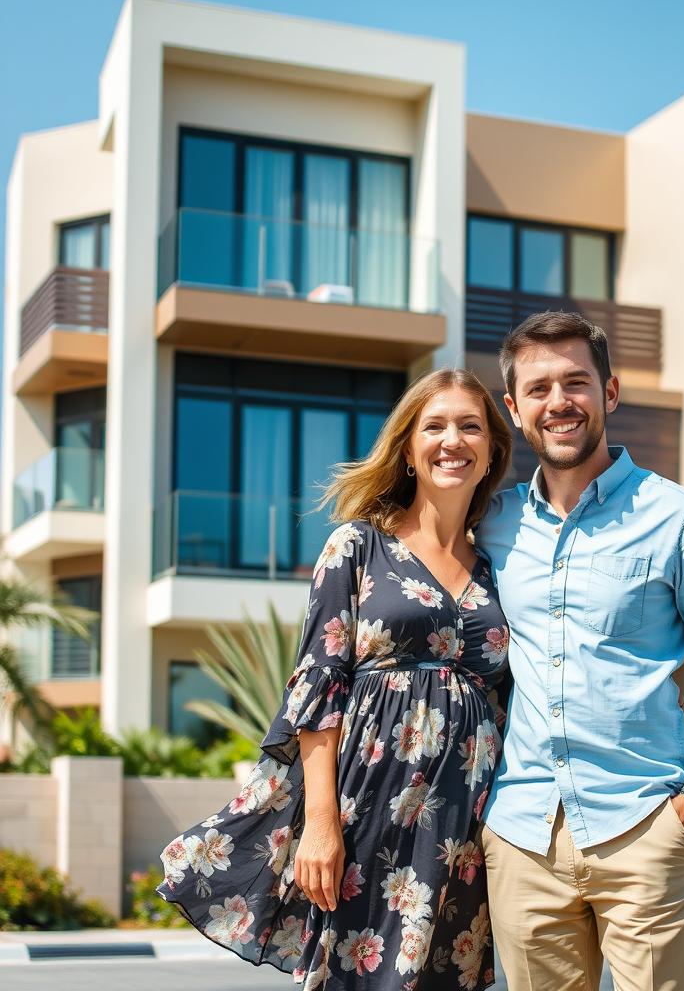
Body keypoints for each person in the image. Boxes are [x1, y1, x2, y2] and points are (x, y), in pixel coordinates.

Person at [157, 368, 514, 991]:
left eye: (470, 426)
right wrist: (321, 822)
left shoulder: (498, 566)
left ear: (491, 452)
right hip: (369, 804)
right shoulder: (357, 546)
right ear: (408, 448)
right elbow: (319, 686)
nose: (452, 439)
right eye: (435, 425)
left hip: (467, 824)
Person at [474, 312, 684, 991]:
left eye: (576, 382)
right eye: (540, 389)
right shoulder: (493, 522)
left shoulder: (681, 518)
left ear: (609, 393)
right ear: (515, 409)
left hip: (644, 827)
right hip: (522, 837)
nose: (560, 402)